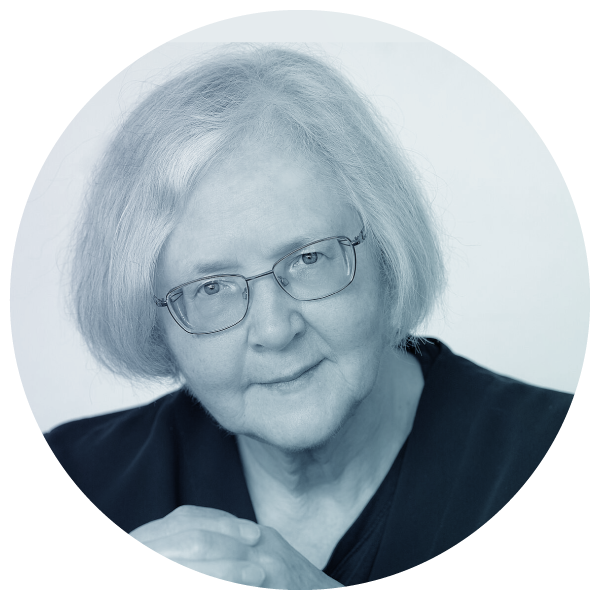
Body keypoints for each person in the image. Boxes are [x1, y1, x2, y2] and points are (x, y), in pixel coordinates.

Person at [44, 44, 572, 588]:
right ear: (155, 319)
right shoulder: (81, 475)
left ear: (387, 251)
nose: (275, 330)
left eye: (309, 259)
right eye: (211, 288)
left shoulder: (540, 447)